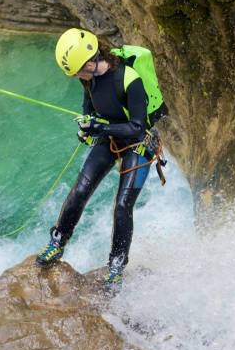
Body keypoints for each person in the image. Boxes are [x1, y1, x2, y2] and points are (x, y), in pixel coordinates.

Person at [35, 28, 157, 293]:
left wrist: (101, 130)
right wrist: (86, 128)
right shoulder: (88, 79)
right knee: (80, 189)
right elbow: (88, 109)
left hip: (138, 143)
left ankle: (116, 267)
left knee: (123, 205)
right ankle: (58, 242)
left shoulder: (129, 79)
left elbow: (137, 126)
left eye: (78, 71)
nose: (77, 77)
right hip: (109, 137)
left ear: (90, 63)